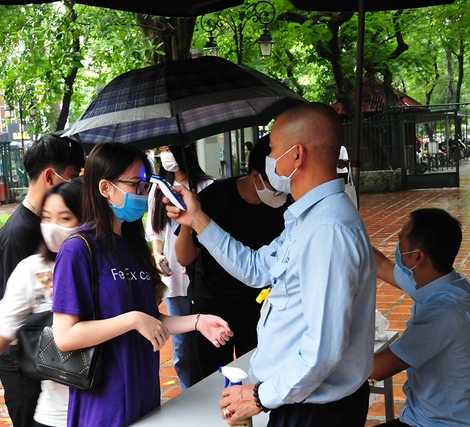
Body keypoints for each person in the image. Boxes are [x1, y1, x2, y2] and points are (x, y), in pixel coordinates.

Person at [166, 102, 376, 427]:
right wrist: (197, 219)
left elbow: (324, 348)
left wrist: (260, 397)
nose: (269, 158)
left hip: (315, 410)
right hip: (297, 398)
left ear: (296, 155)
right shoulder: (305, 220)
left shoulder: (327, 231)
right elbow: (255, 268)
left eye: (273, 148)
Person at [50, 142, 233, 427]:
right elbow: (65, 336)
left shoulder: (133, 247)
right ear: (105, 188)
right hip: (103, 403)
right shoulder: (78, 250)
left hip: (143, 392)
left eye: (146, 187)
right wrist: (133, 320)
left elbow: (151, 320)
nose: (143, 194)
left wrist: (197, 322)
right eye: (136, 185)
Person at [0, 180, 84, 427]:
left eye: (65, 218)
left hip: (108, 406)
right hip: (56, 413)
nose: (53, 228)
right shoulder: (32, 269)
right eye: (47, 217)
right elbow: (2, 327)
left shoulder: (104, 266)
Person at [174, 135, 288, 388]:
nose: (282, 191)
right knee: (208, 385)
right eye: (277, 184)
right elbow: (184, 257)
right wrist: (188, 222)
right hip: (212, 306)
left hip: (260, 306)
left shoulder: (286, 205)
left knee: (260, 380)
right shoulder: (215, 196)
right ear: (258, 176)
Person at [0, 133, 85, 427]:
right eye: (71, 177)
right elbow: (16, 318)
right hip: (26, 362)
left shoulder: (45, 225)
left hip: (50, 358)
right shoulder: (18, 233)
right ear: (50, 176)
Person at [370, 208, 470, 427]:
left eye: (400, 242)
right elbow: (380, 265)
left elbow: (377, 368)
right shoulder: (447, 282)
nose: (397, 248)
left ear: (417, 256)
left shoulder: (444, 311)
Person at [145, 143, 214, 390]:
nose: (165, 155)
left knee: (207, 341)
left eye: (168, 148)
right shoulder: (158, 189)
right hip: (173, 276)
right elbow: (155, 230)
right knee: (182, 348)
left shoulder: (208, 187)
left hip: (203, 277)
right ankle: (189, 394)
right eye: (161, 149)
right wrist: (157, 253)